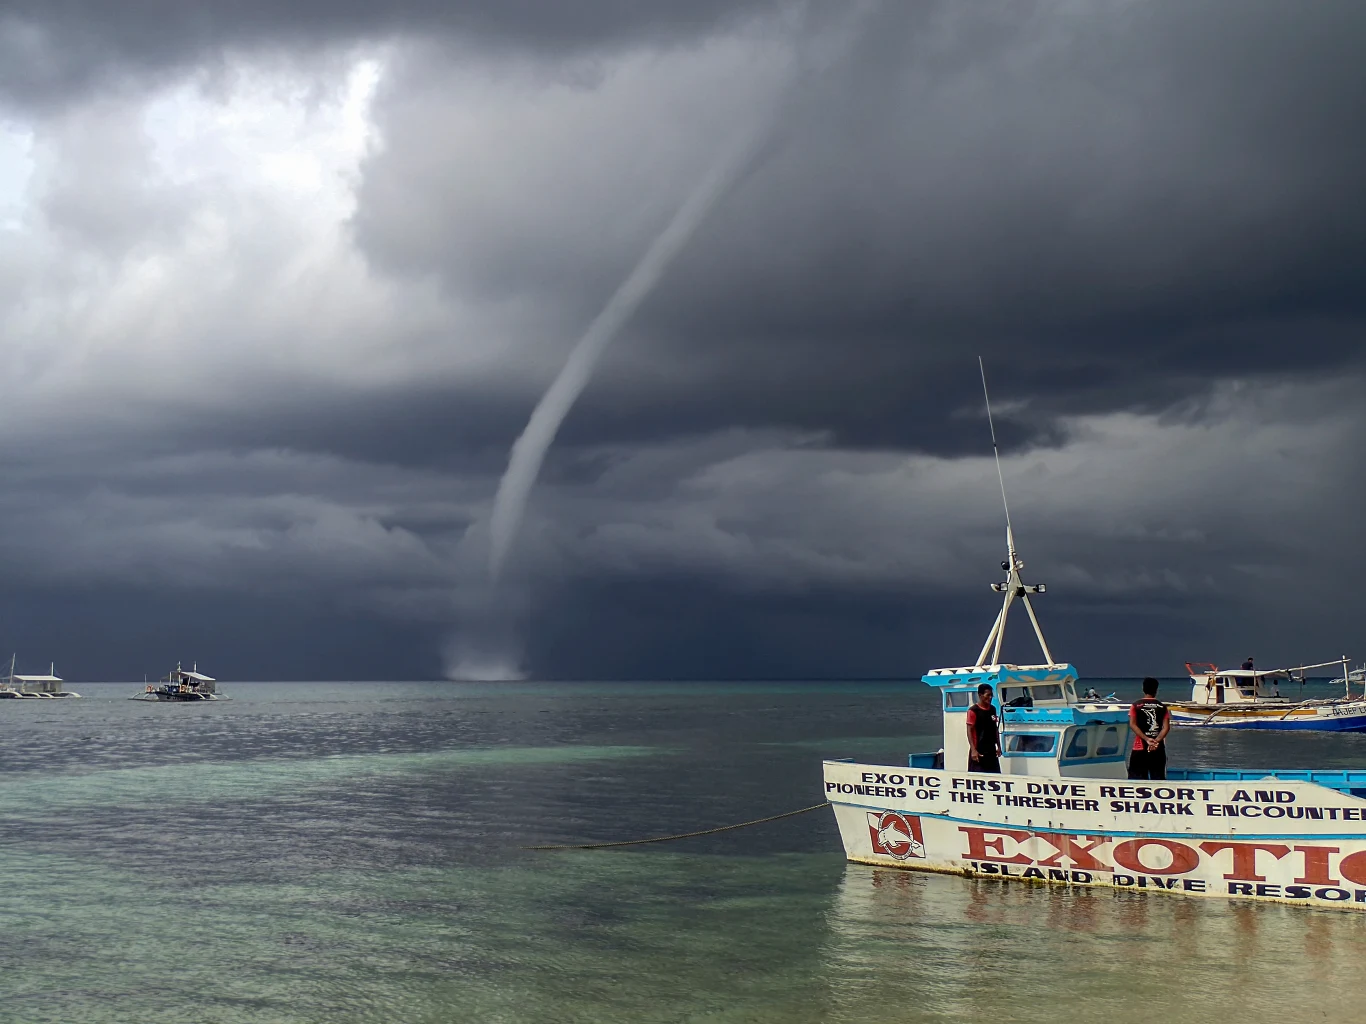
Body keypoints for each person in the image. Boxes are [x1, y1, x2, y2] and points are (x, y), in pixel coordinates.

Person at [1128, 677, 1171, 780]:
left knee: (1137, 778)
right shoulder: (1162, 707)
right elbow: (1166, 727)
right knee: (1158, 778)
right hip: (1158, 748)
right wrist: (1156, 741)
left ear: (1143, 689)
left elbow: (1133, 725)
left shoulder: (1135, 705)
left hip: (1140, 747)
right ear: (1156, 690)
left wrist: (1147, 739)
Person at [966, 683, 1001, 773]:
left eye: (991, 695)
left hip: (991, 750)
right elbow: (969, 730)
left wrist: (999, 746)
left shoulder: (992, 709)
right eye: (988, 695)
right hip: (979, 750)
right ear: (980, 695)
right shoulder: (973, 711)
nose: (990, 697)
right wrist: (973, 750)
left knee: (995, 776)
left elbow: (995, 729)